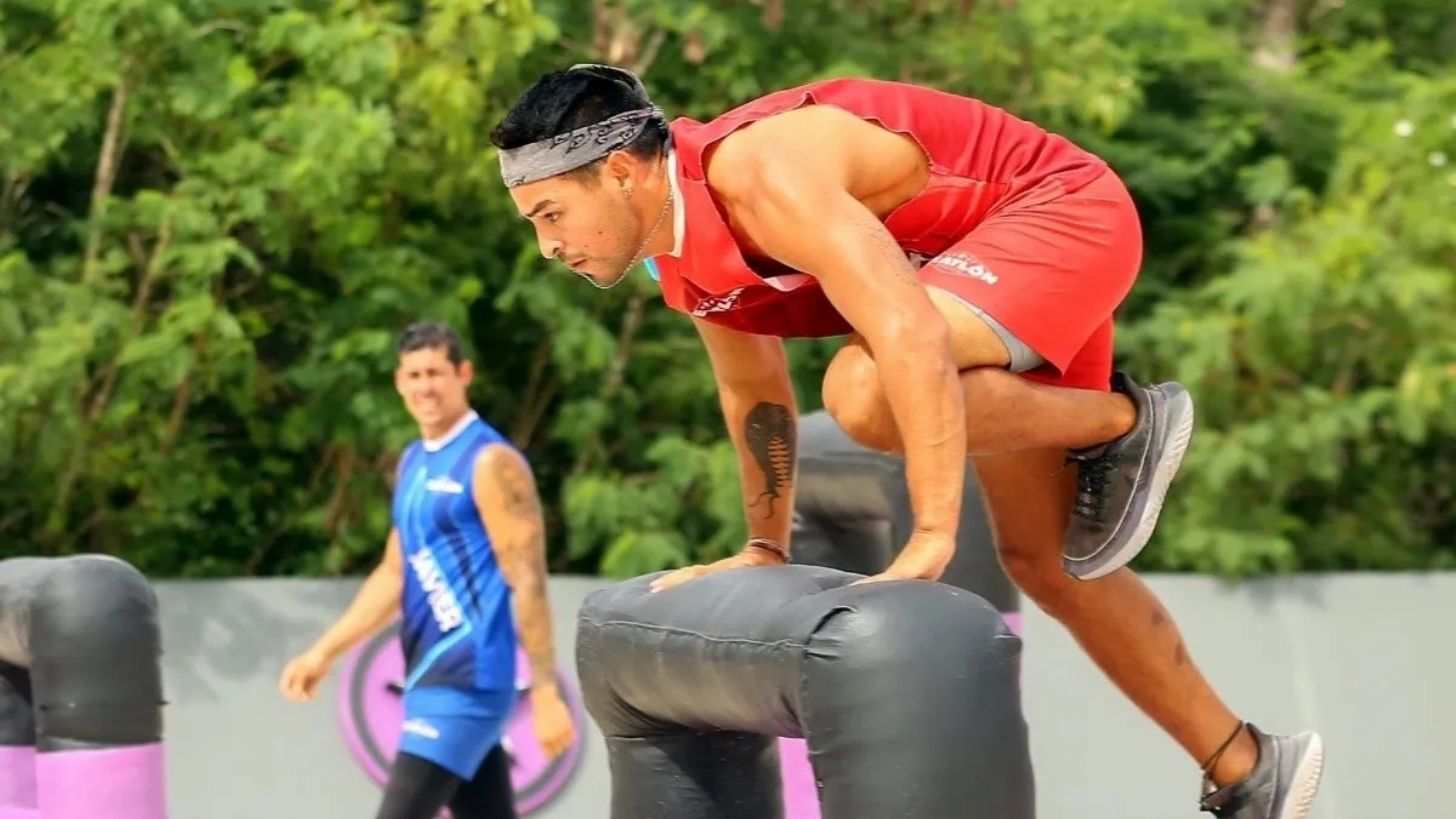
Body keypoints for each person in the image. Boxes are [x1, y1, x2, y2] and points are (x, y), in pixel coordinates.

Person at [488, 65, 1324, 817]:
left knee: (863, 390)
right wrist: (764, 544)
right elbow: (755, 394)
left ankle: (1123, 421)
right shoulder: (681, 259)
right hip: (972, 272)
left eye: (552, 213)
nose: (548, 244)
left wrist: (930, 538)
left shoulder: (759, 172)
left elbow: (910, 333)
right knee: (1042, 560)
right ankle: (1247, 766)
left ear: (623, 172)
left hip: (1058, 214)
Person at [279, 321, 575, 819]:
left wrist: (544, 691)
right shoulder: (413, 462)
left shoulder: (490, 462)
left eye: (436, 373)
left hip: (468, 685)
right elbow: (394, 573)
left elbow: (527, 579)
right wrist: (323, 651)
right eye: (414, 375)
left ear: (464, 374)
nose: (425, 387)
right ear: (399, 382)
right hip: (426, 682)